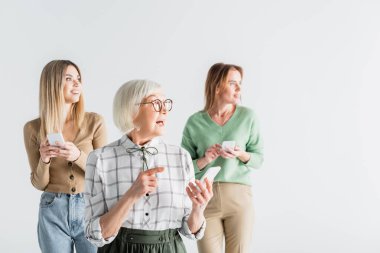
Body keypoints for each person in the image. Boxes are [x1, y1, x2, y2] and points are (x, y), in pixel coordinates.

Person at [84, 79, 213, 253]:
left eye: (166, 103)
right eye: (156, 103)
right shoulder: (100, 159)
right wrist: (131, 195)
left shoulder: (180, 157)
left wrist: (199, 208)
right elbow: (95, 235)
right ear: (131, 110)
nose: (165, 110)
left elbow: (190, 231)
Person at [23, 60, 107, 253]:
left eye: (78, 78)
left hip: (90, 207)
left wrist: (78, 155)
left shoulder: (95, 122)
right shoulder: (32, 128)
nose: (77, 84)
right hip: (53, 209)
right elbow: (39, 184)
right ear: (51, 84)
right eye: (69, 79)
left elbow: (104, 173)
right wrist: (44, 160)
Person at [181, 63, 264, 253]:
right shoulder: (195, 122)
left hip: (239, 199)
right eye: (233, 83)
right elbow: (183, 168)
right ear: (217, 86)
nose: (239, 88)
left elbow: (259, 159)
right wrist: (205, 159)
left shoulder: (248, 117)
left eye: (240, 83)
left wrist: (240, 153)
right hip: (205, 200)